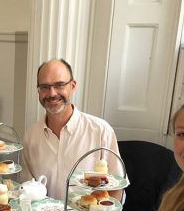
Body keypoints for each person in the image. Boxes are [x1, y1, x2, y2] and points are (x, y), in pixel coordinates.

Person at [21, 58, 122, 200]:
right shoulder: (30, 136)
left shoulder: (101, 131)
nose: (52, 93)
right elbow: (27, 190)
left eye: (59, 85)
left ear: (72, 86)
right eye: (44, 87)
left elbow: (116, 190)